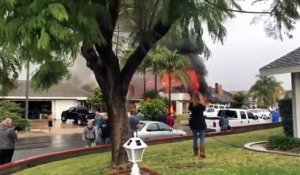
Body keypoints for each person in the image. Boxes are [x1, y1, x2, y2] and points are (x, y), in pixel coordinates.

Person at [188, 93, 207, 158]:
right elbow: (204, 108)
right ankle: (202, 152)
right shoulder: (202, 105)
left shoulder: (191, 105)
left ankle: (195, 153)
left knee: (195, 138)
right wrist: (201, 101)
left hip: (193, 123)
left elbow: (189, 108)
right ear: (200, 97)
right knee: (202, 138)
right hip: (201, 123)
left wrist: (191, 101)